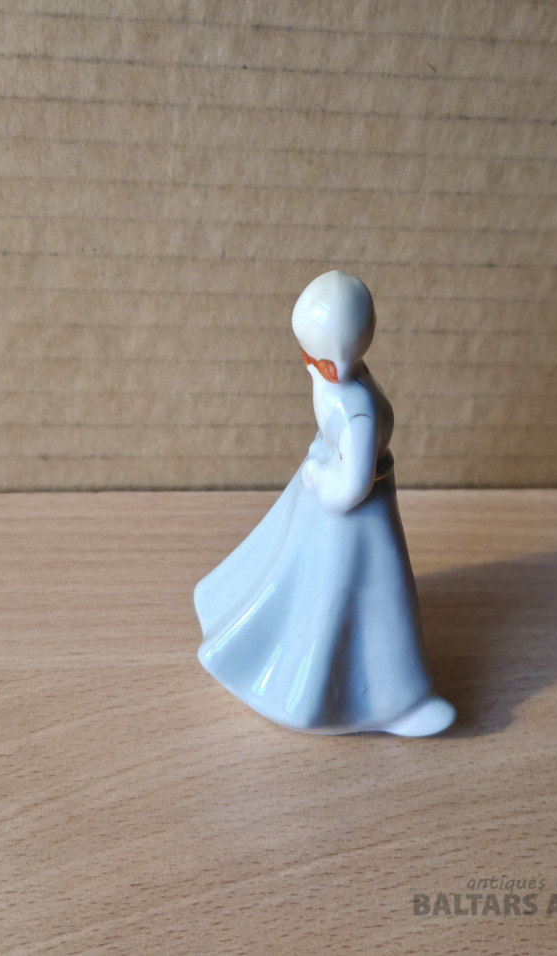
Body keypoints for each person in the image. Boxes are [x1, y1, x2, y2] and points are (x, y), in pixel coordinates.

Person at [194, 271, 455, 736]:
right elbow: (348, 487)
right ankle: (389, 700)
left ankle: (385, 699)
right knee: (356, 596)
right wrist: (319, 477)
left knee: (340, 594)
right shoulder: (351, 404)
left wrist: (320, 474)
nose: (308, 364)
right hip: (350, 517)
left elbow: (350, 484)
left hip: (347, 505)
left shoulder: (345, 397)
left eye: (312, 354)